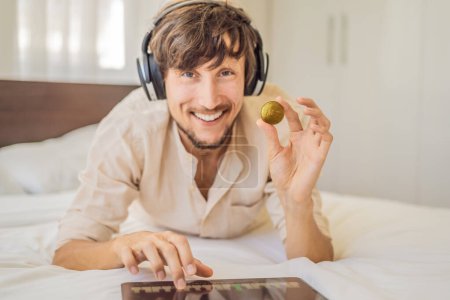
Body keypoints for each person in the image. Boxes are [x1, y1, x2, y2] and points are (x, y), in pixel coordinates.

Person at [52, 0, 334, 290]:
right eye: (188, 74)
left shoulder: (276, 123)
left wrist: (297, 203)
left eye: (226, 73)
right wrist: (122, 246)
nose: (209, 100)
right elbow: (69, 252)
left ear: (249, 77)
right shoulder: (130, 128)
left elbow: (315, 260)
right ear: (159, 80)